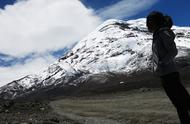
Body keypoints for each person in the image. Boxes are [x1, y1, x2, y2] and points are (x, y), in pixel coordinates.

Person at [146, 11, 190, 124]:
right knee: (180, 103)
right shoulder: (157, 34)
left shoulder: (162, 32)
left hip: (170, 74)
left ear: (155, 22)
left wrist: (162, 62)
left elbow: (173, 51)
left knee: (182, 102)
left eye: (149, 21)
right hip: (165, 74)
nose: (147, 24)